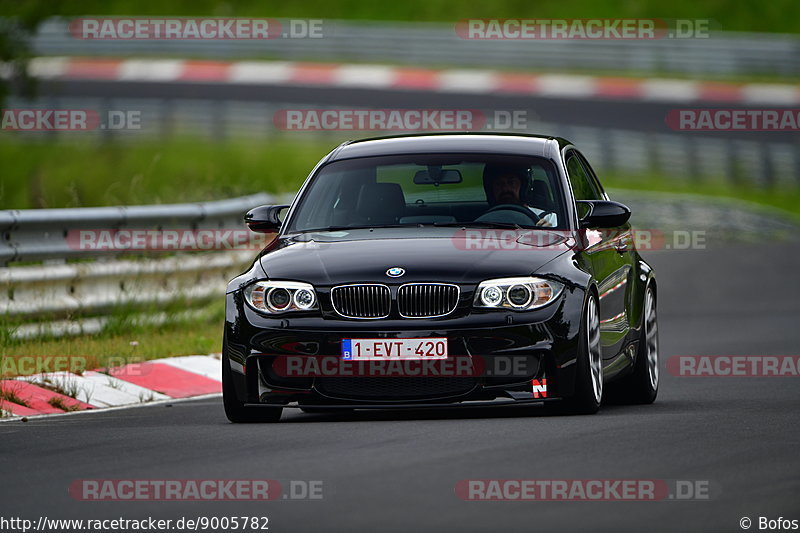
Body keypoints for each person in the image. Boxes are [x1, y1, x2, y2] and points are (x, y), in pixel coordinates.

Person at [482, 165, 557, 227]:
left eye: (512, 183)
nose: (505, 189)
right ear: (490, 190)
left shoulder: (548, 218)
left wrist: (548, 233)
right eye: (498, 184)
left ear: (524, 187)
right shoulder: (477, 223)